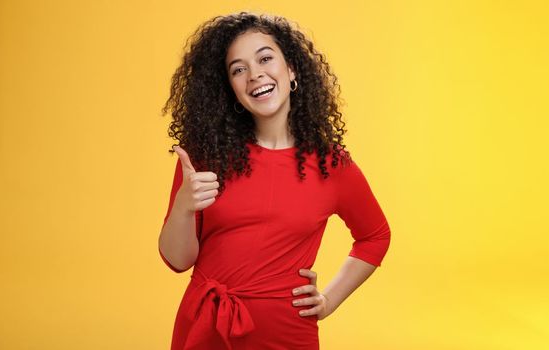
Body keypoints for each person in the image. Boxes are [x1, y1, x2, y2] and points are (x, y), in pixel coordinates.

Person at [158, 12, 391, 350]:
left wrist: (328, 300)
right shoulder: (204, 156)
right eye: (238, 69)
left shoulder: (331, 165)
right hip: (205, 328)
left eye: (265, 58)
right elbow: (177, 261)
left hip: (287, 335)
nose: (255, 75)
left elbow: (375, 236)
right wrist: (183, 207)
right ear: (230, 88)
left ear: (292, 69)